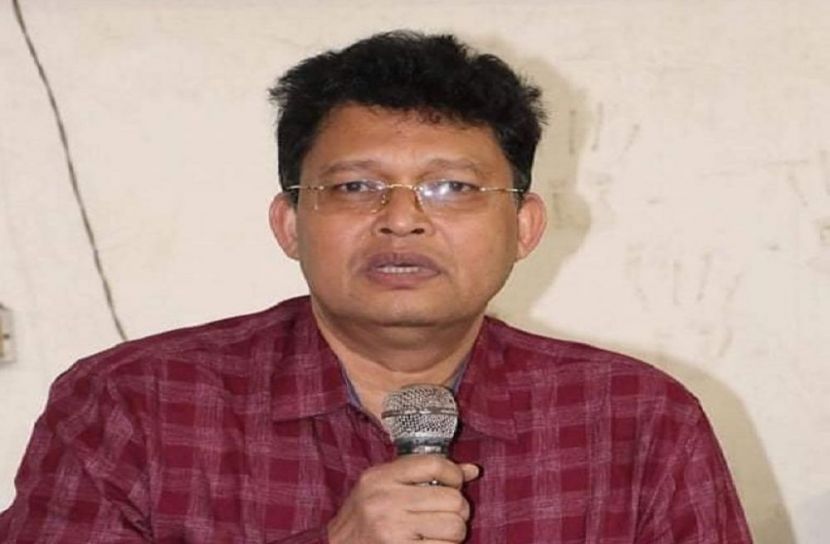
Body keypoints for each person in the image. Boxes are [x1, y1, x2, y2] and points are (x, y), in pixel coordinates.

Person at [0, 31, 752, 543]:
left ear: (524, 227)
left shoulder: (637, 420)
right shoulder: (131, 405)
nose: (401, 219)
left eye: (451, 188)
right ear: (289, 223)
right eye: (356, 186)